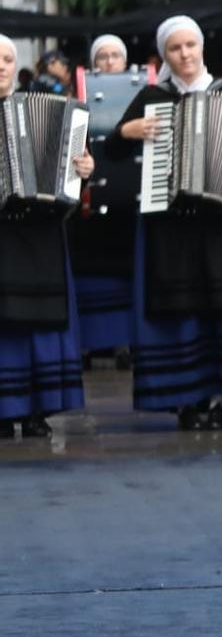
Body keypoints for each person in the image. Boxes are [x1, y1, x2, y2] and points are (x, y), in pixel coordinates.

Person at [104, 16, 222, 429]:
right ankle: (186, 398)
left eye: (190, 46)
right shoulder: (152, 97)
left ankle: (221, 396)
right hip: (172, 222)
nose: (184, 54)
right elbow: (110, 150)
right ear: (165, 55)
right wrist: (126, 131)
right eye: (175, 49)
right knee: (181, 310)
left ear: (202, 48)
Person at [0, 34, 92, 439]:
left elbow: (73, 166)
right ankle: (4, 409)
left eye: (6, 59)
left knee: (42, 319)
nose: (0, 66)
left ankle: (40, 408)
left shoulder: (44, 104)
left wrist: (84, 167)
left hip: (40, 228)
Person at [69, 35, 144, 365]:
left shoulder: (143, 98)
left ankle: (125, 342)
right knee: (90, 273)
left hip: (130, 199)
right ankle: (89, 342)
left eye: (116, 56)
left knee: (127, 271)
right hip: (90, 204)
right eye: (103, 56)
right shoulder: (77, 100)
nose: (110, 61)